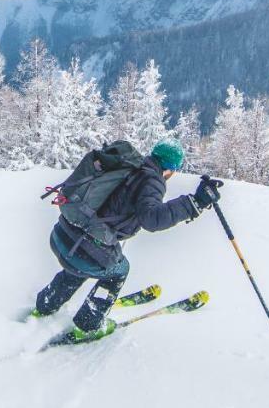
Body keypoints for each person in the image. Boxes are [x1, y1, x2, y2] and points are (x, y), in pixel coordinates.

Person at [30, 138, 222, 344]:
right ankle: (86, 326)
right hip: (81, 249)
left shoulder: (130, 165)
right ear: (171, 169)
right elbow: (152, 219)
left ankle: (45, 306)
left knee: (82, 262)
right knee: (118, 270)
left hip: (63, 235)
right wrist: (194, 203)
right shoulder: (153, 181)